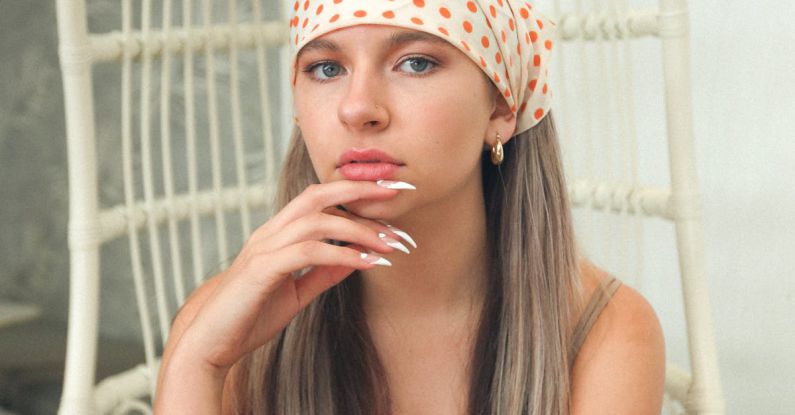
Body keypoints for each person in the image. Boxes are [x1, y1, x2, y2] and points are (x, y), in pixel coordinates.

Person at [154, 1, 665, 413]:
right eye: (326, 68)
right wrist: (197, 364)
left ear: (502, 107)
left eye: (415, 63)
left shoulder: (606, 329)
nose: (357, 108)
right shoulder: (222, 322)